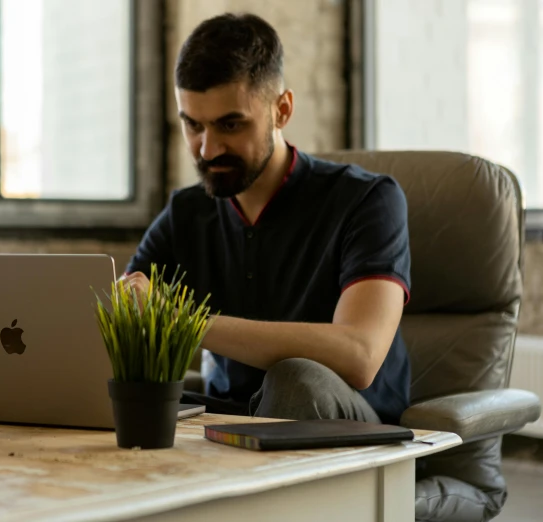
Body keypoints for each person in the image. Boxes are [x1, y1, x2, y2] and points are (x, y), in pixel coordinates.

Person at [122, 13, 411, 426]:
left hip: (356, 431)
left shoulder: (368, 200)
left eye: (231, 124)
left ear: (282, 110)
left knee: (295, 382)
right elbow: (126, 314)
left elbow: (360, 355)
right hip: (229, 427)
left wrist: (181, 319)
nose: (206, 150)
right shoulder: (186, 213)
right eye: (193, 125)